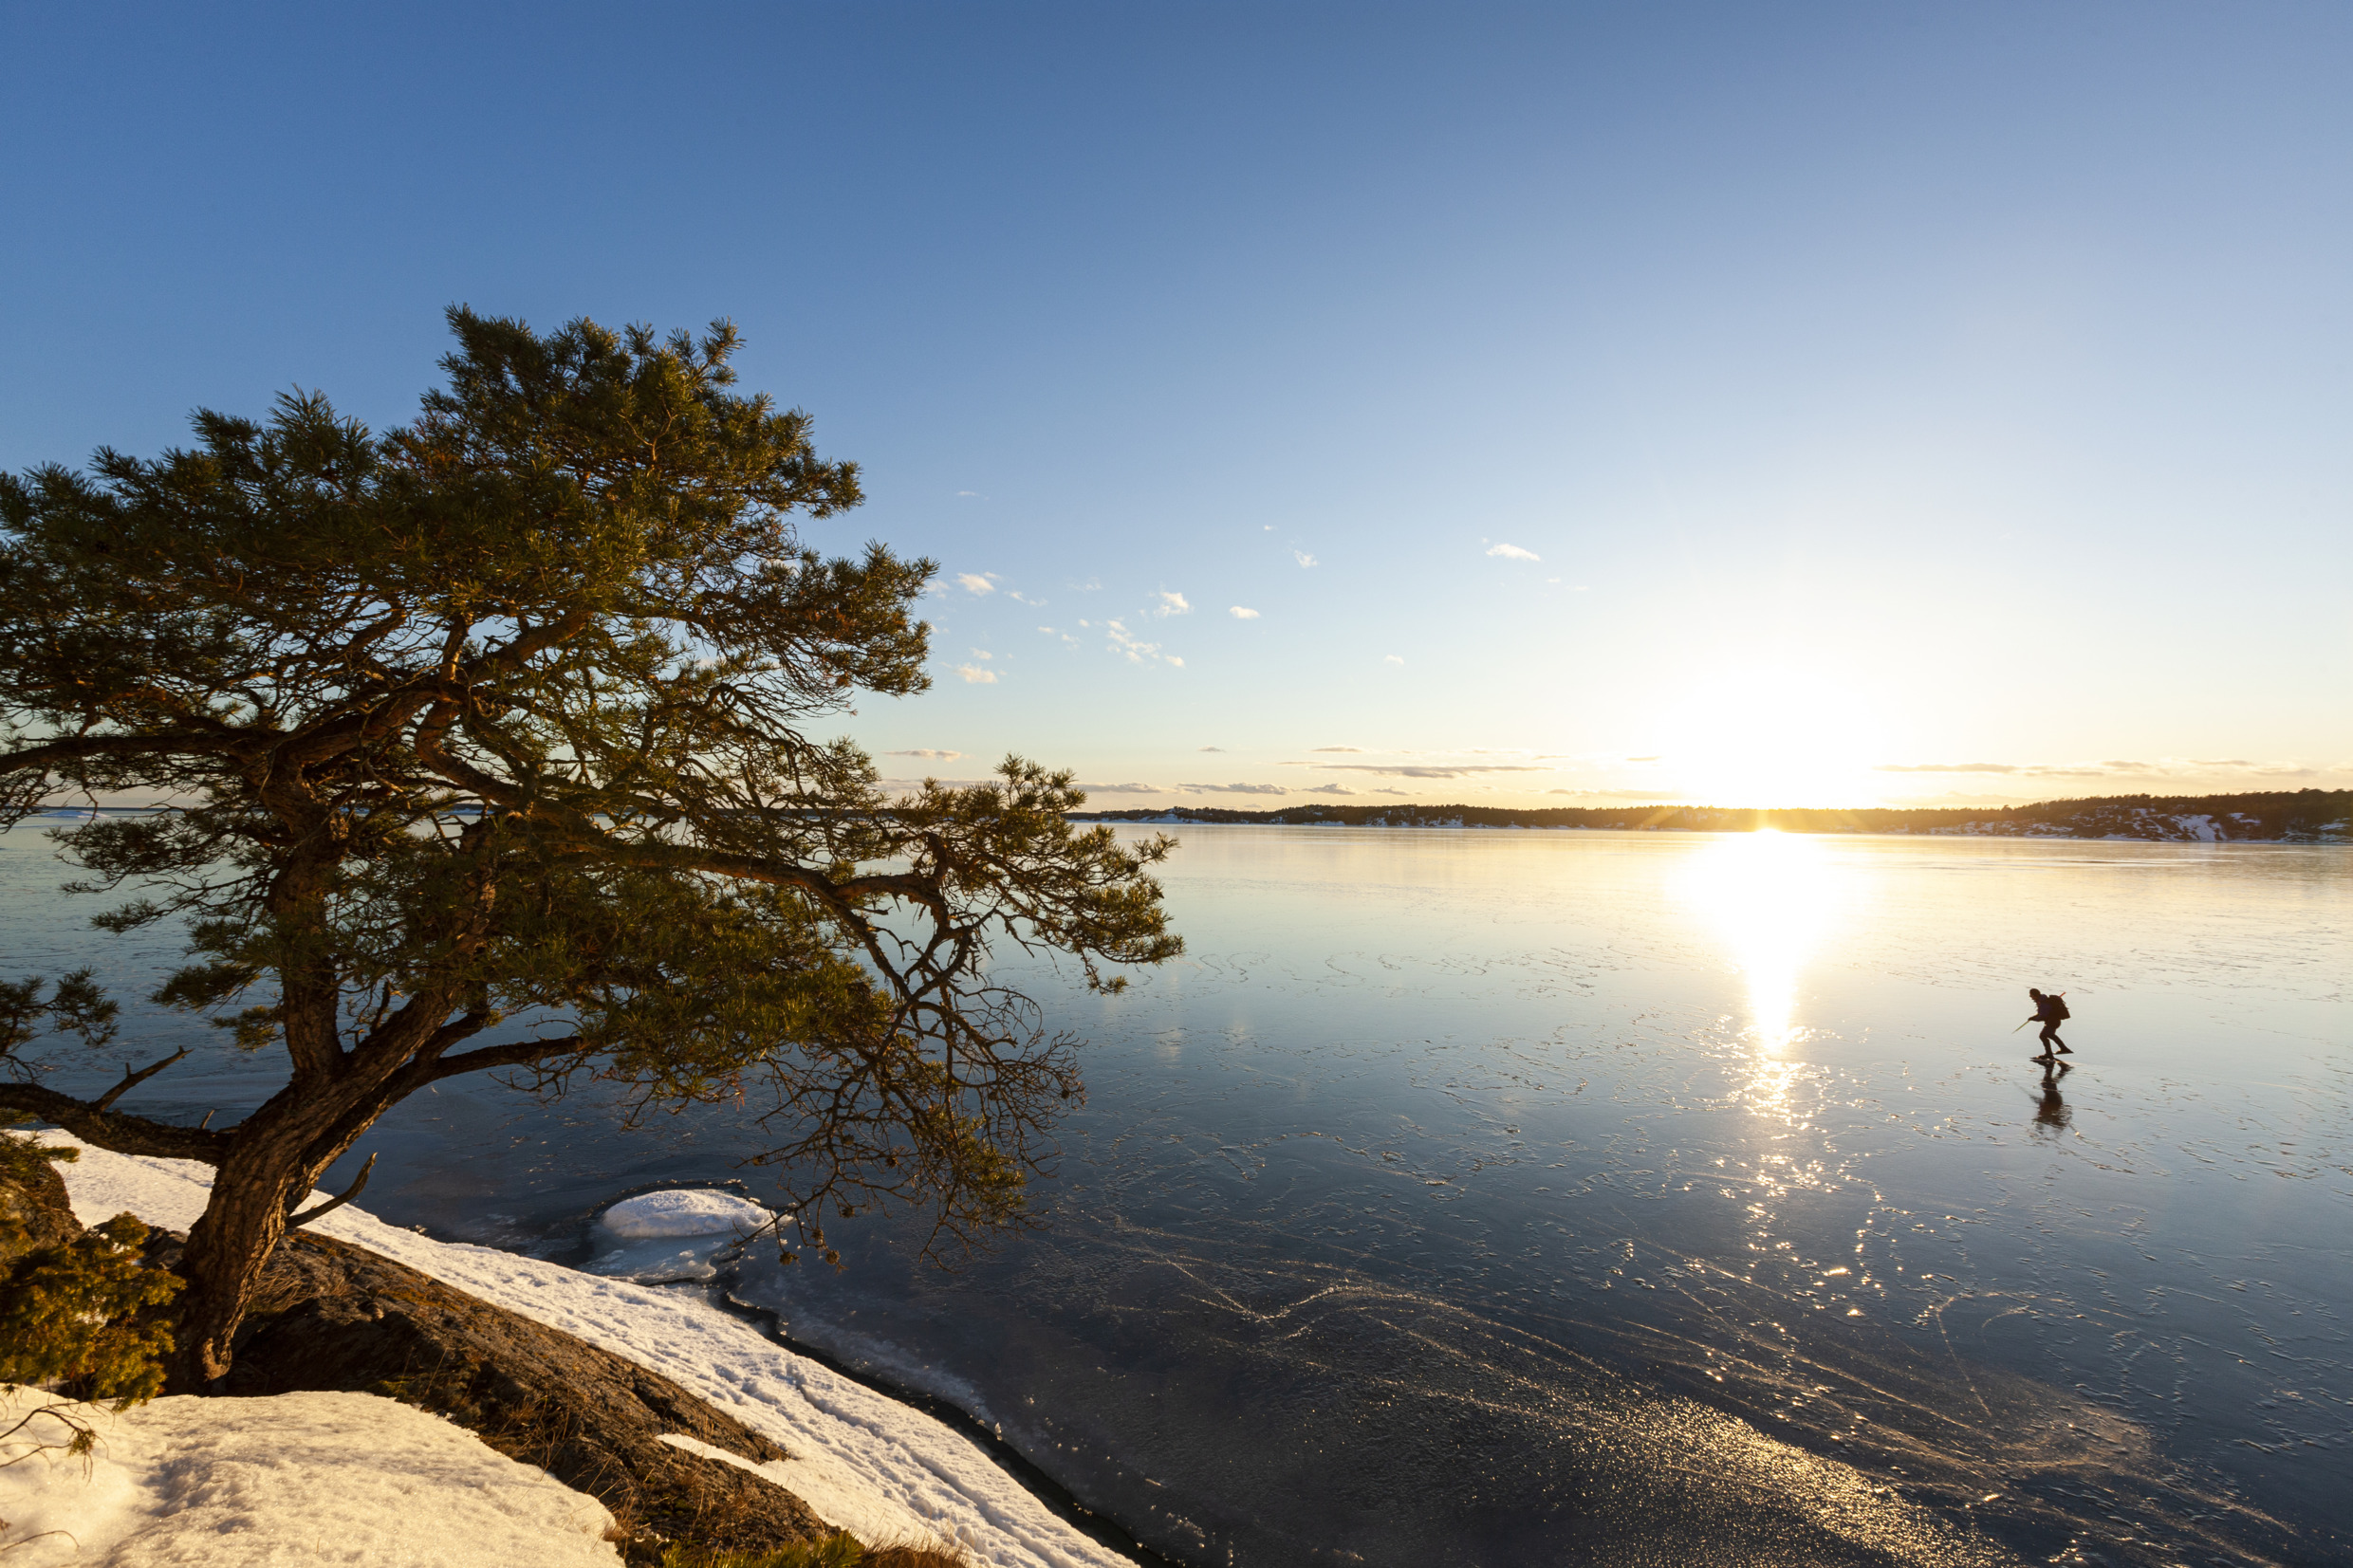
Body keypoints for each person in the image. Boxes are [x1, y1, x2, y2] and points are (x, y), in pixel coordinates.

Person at [2028, 987, 2071, 1060]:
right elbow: (2041, 1014)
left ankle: (2049, 1054)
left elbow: (2043, 1016)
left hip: (2052, 1022)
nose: (2030, 997)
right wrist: (2033, 1017)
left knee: (2043, 1036)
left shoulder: (2043, 1003)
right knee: (2050, 1035)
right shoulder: (2042, 1001)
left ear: (2034, 995)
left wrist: (2034, 1019)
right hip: (2054, 1021)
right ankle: (2063, 1049)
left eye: (2031, 995)